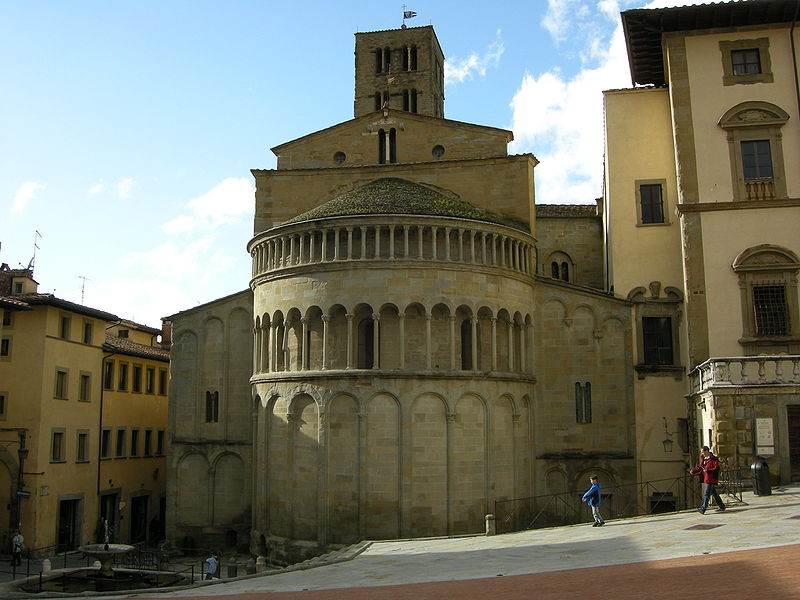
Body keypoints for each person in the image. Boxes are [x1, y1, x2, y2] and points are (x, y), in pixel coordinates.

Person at [691, 445, 725, 514]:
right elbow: (700, 467)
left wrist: (709, 470)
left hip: (711, 478)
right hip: (706, 478)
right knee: (714, 493)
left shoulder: (713, 458)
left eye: (703, 452)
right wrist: (694, 471)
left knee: (706, 494)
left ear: (707, 451)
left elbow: (716, 468)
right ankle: (722, 506)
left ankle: (703, 508)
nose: (702, 453)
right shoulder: (703, 458)